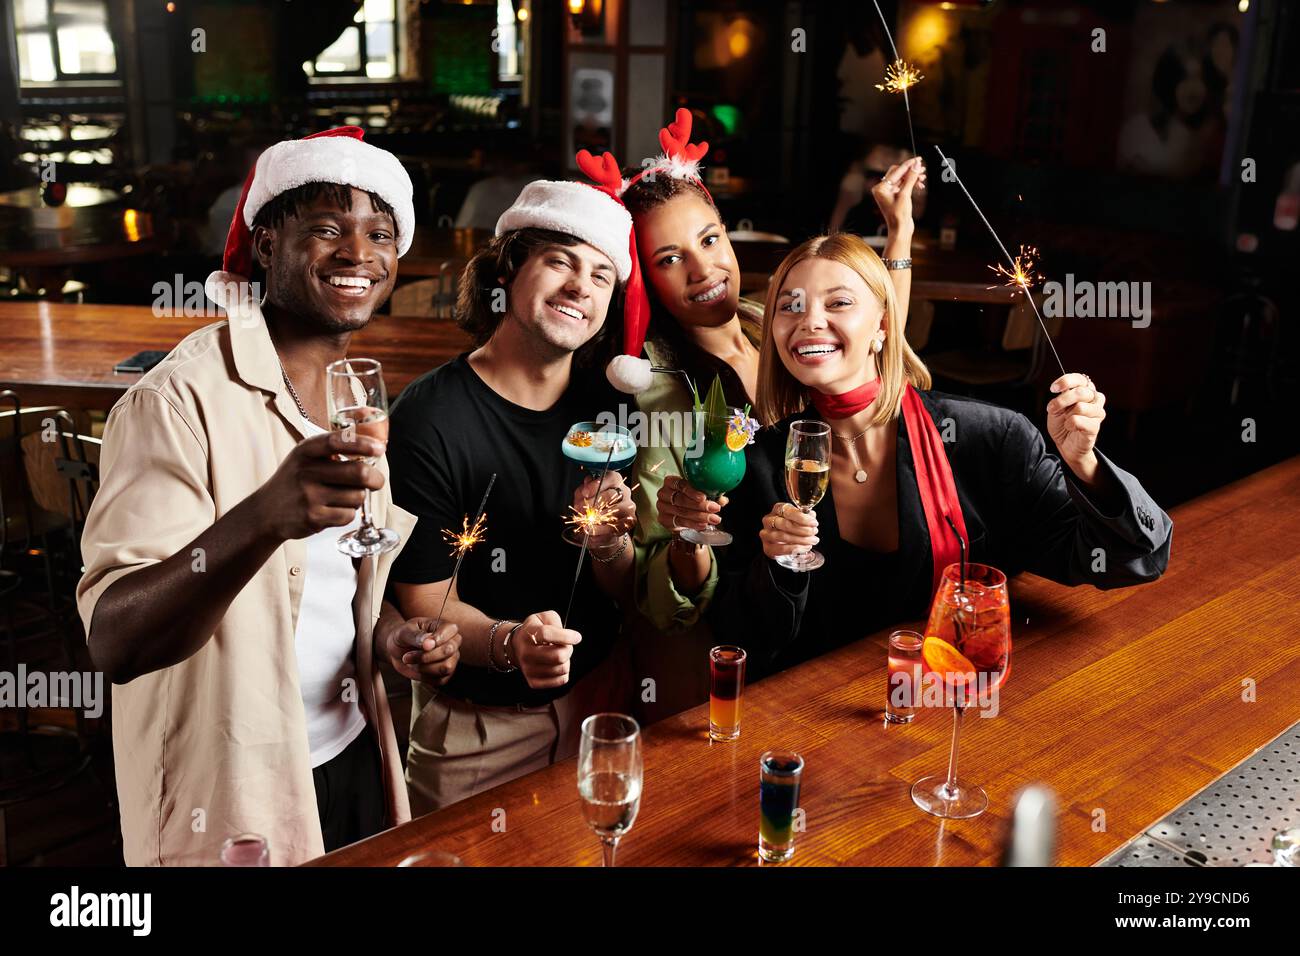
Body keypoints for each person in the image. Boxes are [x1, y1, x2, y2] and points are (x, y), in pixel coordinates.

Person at [77, 127, 458, 866]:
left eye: (379, 233)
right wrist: (264, 518)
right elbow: (114, 641)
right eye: (326, 228)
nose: (358, 253)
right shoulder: (177, 402)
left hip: (354, 754)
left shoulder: (354, 395)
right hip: (232, 791)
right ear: (264, 245)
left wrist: (388, 639)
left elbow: (333, 589)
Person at [708, 232, 1172, 676]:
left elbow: (1133, 560)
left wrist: (1085, 465)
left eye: (839, 302)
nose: (808, 320)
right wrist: (776, 566)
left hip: (954, 692)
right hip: (819, 714)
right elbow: (740, 640)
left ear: (884, 324)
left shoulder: (988, 438)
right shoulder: (760, 459)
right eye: (790, 306)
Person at [590, 110, 922, 718]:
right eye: (669, 259)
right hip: (750, 638)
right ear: (643, 280)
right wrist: (690, 533)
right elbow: (664, 594)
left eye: (710, 239)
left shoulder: (761, 318)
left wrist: (896, 233)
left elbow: (874, 343)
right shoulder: (659, 396)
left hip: (838, 600)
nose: (703, 269)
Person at [388, 174, 638, 815]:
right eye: (560, 261)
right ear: (509, 270)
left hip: (606, 710)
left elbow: (623, 587)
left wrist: (608, 545)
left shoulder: (611, 407)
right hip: (477, 733)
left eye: (602, 275)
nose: (581, 286)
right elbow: (426, 601)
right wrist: (511, 643)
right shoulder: (430, 417)